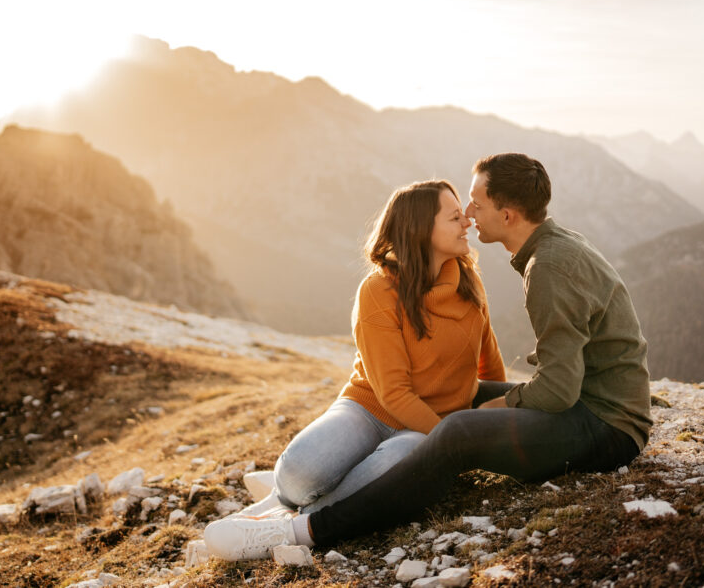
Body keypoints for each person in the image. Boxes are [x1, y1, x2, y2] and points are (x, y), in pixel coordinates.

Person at [203, 152, 652, 559]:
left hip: (604, 421)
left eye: (474, 205)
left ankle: (303, 530)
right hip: (577, 403)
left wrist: (483, 420)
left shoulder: (545, 267)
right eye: (459, 213)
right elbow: (439, 386)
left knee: (459, 430)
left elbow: (551, 387)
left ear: (508, 213)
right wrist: (493, 410)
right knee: (464, 419)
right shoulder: (550, 251)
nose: (470, 218)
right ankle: (293, 489)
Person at [203, 180, 506, 560]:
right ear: (420, 230)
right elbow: (392, 392)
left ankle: (277, 522)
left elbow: (488, 361)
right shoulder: (378, 290)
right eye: (455, 216)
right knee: (299, 473)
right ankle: (286, 495)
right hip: (369, 409)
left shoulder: (468, 282)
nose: (467, 223)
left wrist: (466, 435)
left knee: (395, 464)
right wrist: (447, 441)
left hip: (424, 427)